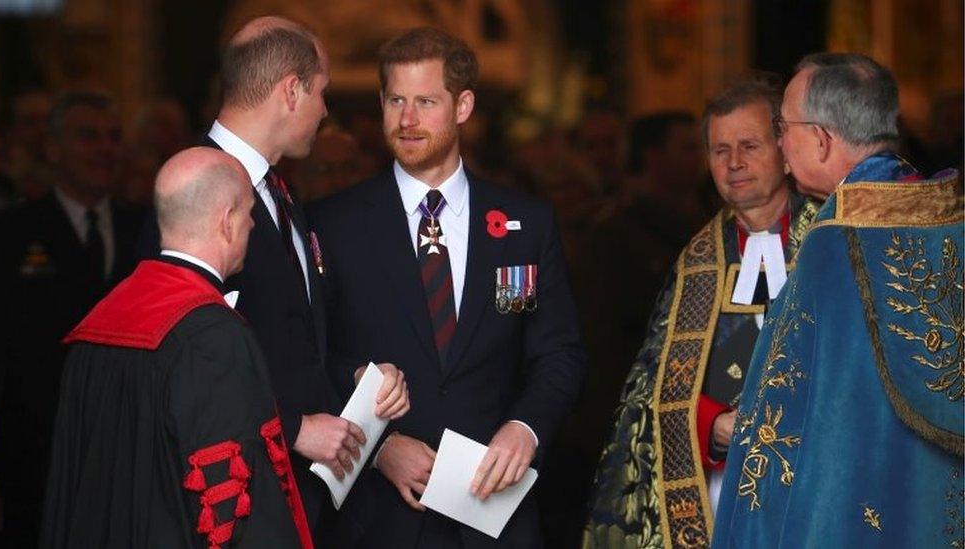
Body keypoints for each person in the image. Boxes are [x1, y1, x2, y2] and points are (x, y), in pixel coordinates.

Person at [309, 27, 587, 547]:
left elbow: (559, 353)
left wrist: (525, 429)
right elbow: (312, 356)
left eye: (425, 102)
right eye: (395, 101)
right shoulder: (333, 224)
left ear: (463, 106)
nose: (407, 120)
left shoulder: (527, 224)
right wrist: (377, 445)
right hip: (378, 521)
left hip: (496, 513)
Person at [136, 16, 410, 540]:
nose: (326, 111)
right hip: (232, 500)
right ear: (291, 91)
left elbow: (291, 337)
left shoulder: (278, 193)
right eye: (322, 93)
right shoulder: (194, 188)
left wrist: (354, 377)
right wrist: (292, 428)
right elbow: (178, 364)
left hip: (298, 499)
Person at [713, 53, 963, 548]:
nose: (780, 142)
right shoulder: (950, 216)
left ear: (822, 140)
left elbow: (786, 426)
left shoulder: (837, 242)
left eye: (783, 127)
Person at [584, 75, 821, 549]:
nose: (734, 163)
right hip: (719, 492)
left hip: (817, 481)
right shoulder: (695, 262)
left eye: (749, 145)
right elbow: (648, 390)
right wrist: (711, 425)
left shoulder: (830, 239)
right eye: (719, 150)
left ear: (783, 145)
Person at [42, 147, 313, 547]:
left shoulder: (99, 322)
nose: (253, 225)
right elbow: (234, 511)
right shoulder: (213, 338)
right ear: (226, 222)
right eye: (249, 213)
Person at [0, 91, 144, 548]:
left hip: (126, 455)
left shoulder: (145, 229)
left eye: (113, 138)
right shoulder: (9, 234)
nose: (104, 149)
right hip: (34, 454)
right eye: (87, 136)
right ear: (53, 148)